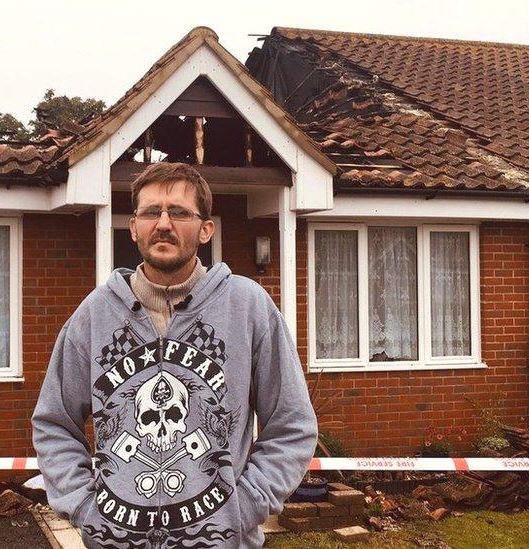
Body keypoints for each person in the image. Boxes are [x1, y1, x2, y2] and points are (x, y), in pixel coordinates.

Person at [31, 162, 317, 548]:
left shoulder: (248, 309)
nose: (163, 223)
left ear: (205, 228)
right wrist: (86, 507)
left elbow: (292, 425)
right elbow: (54, 424)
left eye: (179, 212)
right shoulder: (94, 314)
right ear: (134, 227)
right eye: (151, 212)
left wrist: (242, 506)